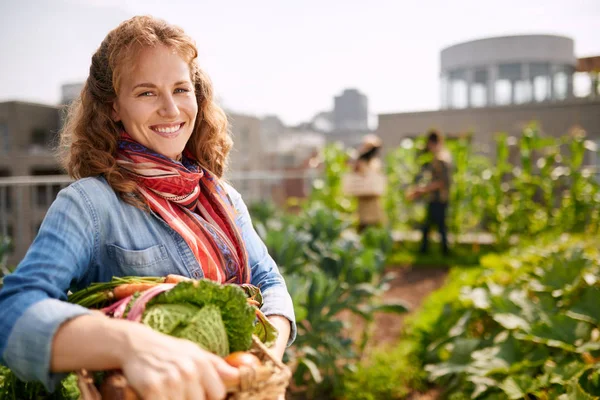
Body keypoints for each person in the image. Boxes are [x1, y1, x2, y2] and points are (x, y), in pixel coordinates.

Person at [0, 16, 295, 400]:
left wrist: (261, 361)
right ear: (113, 108)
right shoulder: (90, 204)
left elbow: (269, 283)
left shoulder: (222, 197)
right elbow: (13, 314)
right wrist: (131, 344)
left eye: (181, 89)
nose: (171, 110)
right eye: (146, 93)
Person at [407, 130, 452, 255]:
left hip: (439, 198)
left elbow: (442, 182)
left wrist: (422, 190)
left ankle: (441, 251)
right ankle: (438, 251)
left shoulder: (441, 159)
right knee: (433, 226)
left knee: (436, 227)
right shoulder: (440, 157)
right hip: (436, 198)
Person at [352, 134, 386, 232]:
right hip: (364, 199)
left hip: (373, 199)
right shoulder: (360, 162)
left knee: (373, 225)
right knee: (364, 225)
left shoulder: (375, 162)